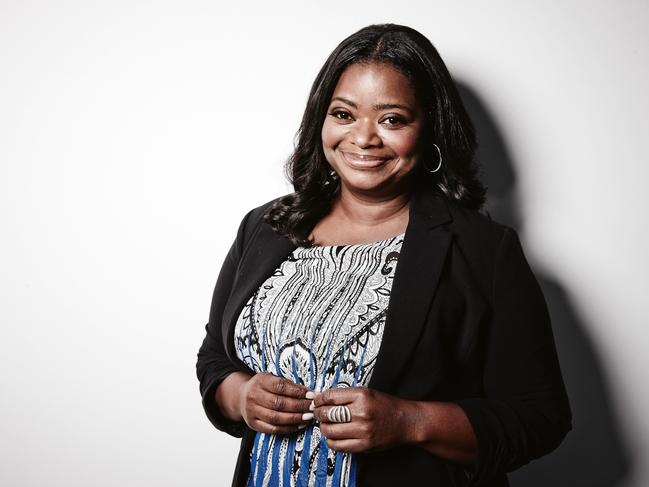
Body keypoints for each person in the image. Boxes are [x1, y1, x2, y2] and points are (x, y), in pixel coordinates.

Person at [196, 23, 572, 487]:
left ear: (429, 128)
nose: (363, 138)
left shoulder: (483, 251)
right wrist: (240, 395)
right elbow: (216, 354)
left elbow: (541, 416)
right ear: (322, 120)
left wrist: (409, 422)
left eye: (392, 119)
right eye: (344, 114)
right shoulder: (267, 226)